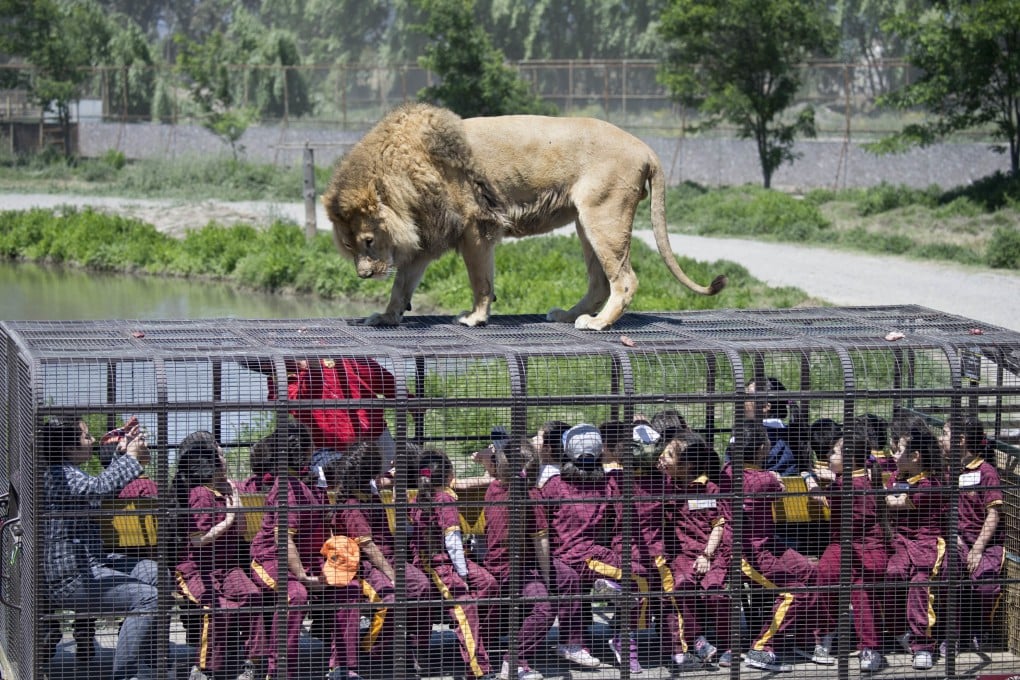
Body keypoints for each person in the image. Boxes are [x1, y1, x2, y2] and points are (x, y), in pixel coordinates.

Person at [41, 416, 160, 680]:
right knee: (148, 597)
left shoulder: (69, 471)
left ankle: (149, 662)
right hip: (70, 578)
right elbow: (98, 488)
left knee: (158, 574)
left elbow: (99, 490)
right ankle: (126, 675)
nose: (93, 440)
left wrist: (122, 454)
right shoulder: (57, 474)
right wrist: (130, 457)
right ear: (68, 447)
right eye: (86, 436)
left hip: (93, 563)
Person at [248, 419, 364, 680]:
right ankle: (278, 671)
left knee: (350, 590)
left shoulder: (310, 481)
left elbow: (327, 527)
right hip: (271, 560)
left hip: (310, 559)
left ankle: (343, 668)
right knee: (295, 594)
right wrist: (302, 576)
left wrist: (333, 566)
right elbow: (282, 539)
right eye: (309, 444)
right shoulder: (286, 487)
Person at [533, 423, 640, 673]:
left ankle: (609, 604)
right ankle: (617, 631)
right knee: (634, 578)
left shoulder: (553, 484)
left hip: (565, 554)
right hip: (581, 555)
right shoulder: (606, 483)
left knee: (627, 578)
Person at [171, 430, 265, 680]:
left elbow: (243, 530)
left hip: (227, 567)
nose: (224, 458)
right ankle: (204, 670)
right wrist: (229, 518)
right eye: (219, 454)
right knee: (216, 606)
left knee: (253, 596)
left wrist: (236, 500)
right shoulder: (200, 494)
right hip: (197, 569)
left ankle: (253, 662)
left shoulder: (223, 491)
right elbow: (197, 540)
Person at [733, 423, 821, 672]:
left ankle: (802, 639)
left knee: (810, 572)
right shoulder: (763, 479)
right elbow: (776, 489)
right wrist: (772, 479)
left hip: (769, 543)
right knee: (793, 592)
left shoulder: (730, 471)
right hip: (748, 553)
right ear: (762, 449)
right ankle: (762, 647)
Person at [409, 448, 499, 680]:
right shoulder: (441, 499)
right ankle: (478, 669)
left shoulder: (430, 494)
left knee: (489, 584)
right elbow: (453, 541)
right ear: (449, 473)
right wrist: (464, 574)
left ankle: (478, 641)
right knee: (465, 604)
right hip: (438, 564)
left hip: (453, 559)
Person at [812, 430, 888, 672]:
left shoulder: (849, 483)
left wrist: (810, 481)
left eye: (834, 452)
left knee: (861, 588)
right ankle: (825, 633)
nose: (828, 456)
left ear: (850, 458)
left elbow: (822, 499)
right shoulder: (854, 478)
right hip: (842, 545)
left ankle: (870, 647)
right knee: (824, 573)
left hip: (867, 546)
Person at [657, 427, 731, 670]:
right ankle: (695, 640)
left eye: (669, 455)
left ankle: (728, 643)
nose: (661, 457)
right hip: (681, 555)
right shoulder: (665, 484)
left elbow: (718, 525)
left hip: (710, 553)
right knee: (681, 587)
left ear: (687, 465)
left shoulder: (708, 489)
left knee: (715, 592)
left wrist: (707, 555)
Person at [252, 356, 399, 473]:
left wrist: (407, 398)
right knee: (347, 488)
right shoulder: (281, 381)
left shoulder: (337, 353)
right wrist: (313, 365)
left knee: (395, 477)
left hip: (375, 433)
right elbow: (304, 397)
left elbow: (376, 375)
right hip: (333, 448)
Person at [884, 414, 946, 671]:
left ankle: (923, 645)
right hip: (901, 541)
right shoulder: (897, 476)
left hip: (927, 544)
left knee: (920, 583)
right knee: (892, 573)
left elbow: (892, 502)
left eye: (898, 450)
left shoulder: (929, 483)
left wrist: (871, 485)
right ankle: (900, 631)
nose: (894, 455)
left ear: (916, 456)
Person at [940, 415, 1003, 652]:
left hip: (984, 544)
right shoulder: (946, 471)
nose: (941, 439)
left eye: (945, 434)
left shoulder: (986, 472)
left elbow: (993, 513)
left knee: (985, 583)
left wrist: (977, 549)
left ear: (961, 440)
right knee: (949, 572)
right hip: (956, 540)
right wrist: (950, 534)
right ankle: (952, 635)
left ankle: (978, 627)